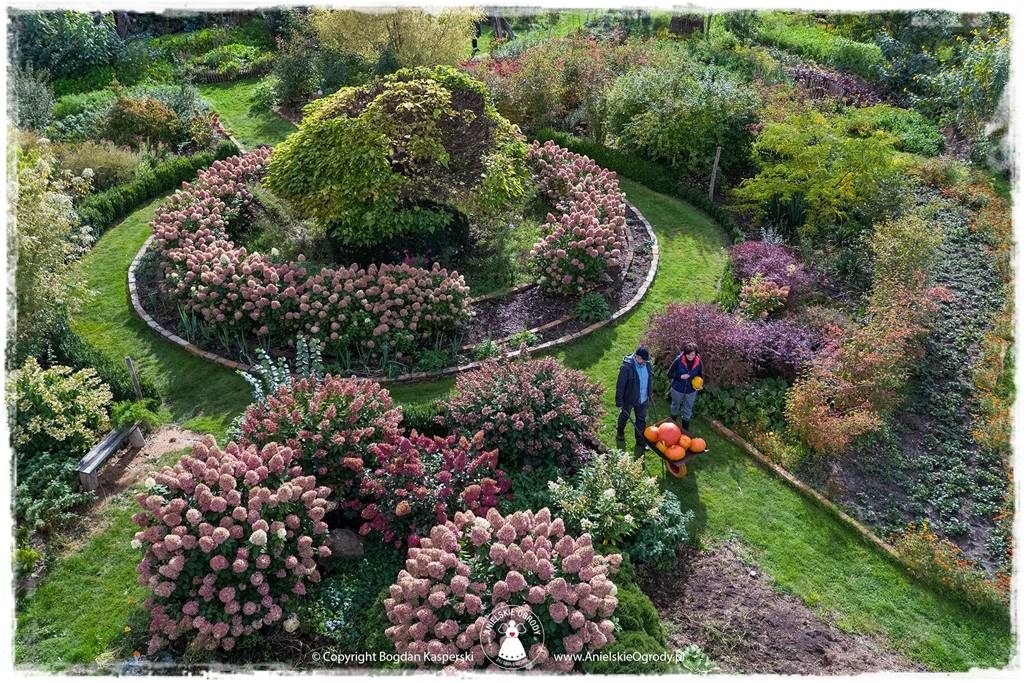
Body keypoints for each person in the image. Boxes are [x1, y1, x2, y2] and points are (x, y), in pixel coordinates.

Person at [615, 346, 653, 447]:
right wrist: (619, 402)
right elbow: (620, 385)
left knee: (641, 420)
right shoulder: (626, 367)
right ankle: (620, 432)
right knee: (624, 416)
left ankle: (640, 442)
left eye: (646, 360)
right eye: (643, 360)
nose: (645, 362)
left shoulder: (647, 364)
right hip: (629, 398)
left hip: (643, 398)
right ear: (637, 357)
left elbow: (649, 379)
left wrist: (650, 393)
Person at [668, 341, 703, 431]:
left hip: (691, 390)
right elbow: (669, 374)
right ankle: (672, 426)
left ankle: (684, 431)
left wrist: (700, 384)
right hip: (677, 389)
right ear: (685, 353)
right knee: (675, 406)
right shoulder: (678, 361)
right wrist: (680, 377)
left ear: (696, 354)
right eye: (688, 355)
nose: (690, 357)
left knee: (688, 410)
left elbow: (700, 375)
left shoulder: (699, 362)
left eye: (693, 355)